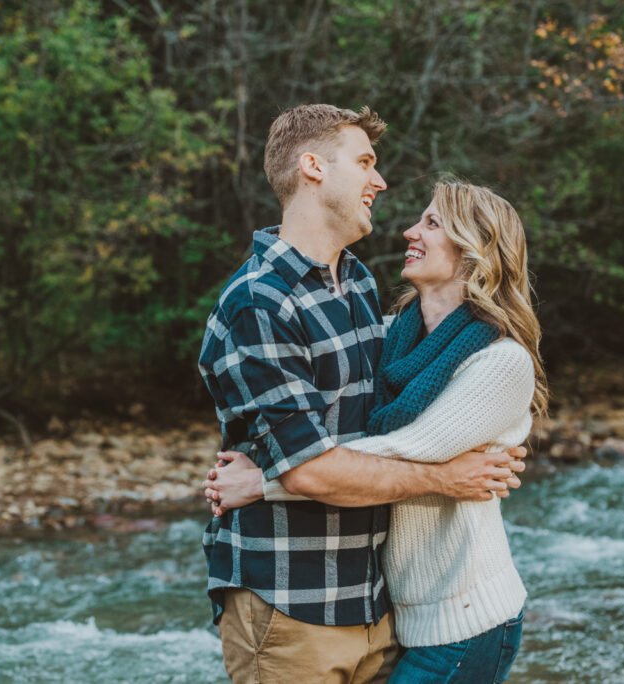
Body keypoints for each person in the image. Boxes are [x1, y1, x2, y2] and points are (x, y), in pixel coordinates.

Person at [197, 104, 526, 684]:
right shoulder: (259, 302)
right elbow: (312, 471)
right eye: (365, 162)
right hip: (290, 601)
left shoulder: (357, 283)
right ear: (313, 167)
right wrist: (447, 477)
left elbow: (399, 430)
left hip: (375, 603)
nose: (380, 181)